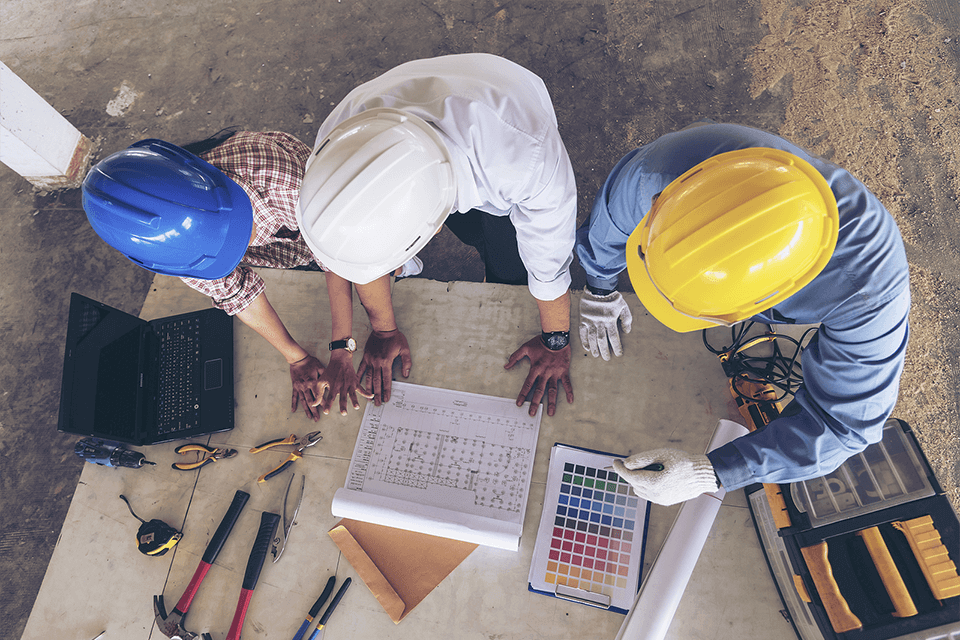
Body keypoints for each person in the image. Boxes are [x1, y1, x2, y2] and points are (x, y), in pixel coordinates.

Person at [575, 122, 910, 505]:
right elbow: (610, 226)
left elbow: (843, 425)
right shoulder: (659, 174)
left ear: (761, 304)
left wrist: (715, 471)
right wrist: (599, 287)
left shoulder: (868, 289)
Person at [296, 53, 579, 417]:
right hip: (423, 117)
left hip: (504, 98)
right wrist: (383, 331)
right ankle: (484, 247)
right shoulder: (340, 146)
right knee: (474, 231)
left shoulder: (528, 161)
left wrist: (555, 344)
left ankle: (496, 266)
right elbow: (359, 253)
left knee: (508, 260)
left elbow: (549, 267)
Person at [81, 130, 372, 421]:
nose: (241, 239)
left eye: (237, 228)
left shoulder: (286, 185)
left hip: (339, 218)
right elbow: (238, 295)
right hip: (291, 247)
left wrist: (341, 348)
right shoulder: (176, 250)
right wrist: (297, 358)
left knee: (377, 258)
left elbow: (338, 254)